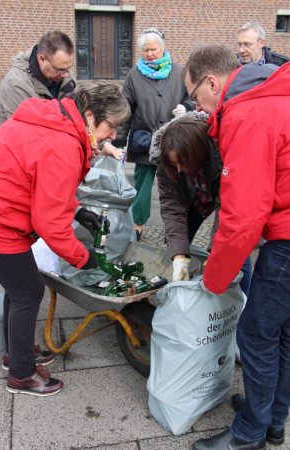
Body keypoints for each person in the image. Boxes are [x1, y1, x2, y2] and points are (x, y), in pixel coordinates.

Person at [0, 82, 130, 397]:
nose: (112, 135)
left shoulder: (53, 120)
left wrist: (78, 211)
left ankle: (17, 353)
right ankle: (22, 375)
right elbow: (49, 222)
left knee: (19, 287)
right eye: (111, 126)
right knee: (28, 292)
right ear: (91, 115)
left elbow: (42, 185)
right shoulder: (63, 144)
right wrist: (84, 258)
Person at [184, 44, 290, 449]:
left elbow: (243, 215)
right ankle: (273, 418)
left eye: (195, 96)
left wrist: (214, 280)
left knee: (257, 333)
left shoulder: (248, 113)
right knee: (283, 332)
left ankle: (249, 435)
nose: (201, 107)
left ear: (212, 82)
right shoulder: (276, 95)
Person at [150, 114, 252, 296]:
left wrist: (216, 253)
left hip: (223, 194)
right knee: (176, 246)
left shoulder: (221, 152)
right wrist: (179, 256)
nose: (179, 169)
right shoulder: (165, 163)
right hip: (195, 200)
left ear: (197, 154)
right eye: (174, 164)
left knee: (234, 248)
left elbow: (226, 208)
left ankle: (241, 299)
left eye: (182, 162)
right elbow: (173, 207)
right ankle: (177, 293)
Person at [122, 28, 191, 240]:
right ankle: (138, 226)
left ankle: (175, 231)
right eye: (145, 50)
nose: (149, 54)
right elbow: (125, 109)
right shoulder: (134, 74)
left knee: (174, 187)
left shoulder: (179, 71)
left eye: (153, 49)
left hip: (172, 141)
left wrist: (187, 107)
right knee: (141, 188)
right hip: (143, 142)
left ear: (162, 48)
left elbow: (194, 97)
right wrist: (117, 140)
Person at [0, 30, 76, 128]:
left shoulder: (61, 70)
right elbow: (26, 132)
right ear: (42, 59)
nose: (66, 75)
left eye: (69, 67)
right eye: (60, 69)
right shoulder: (16, 84)